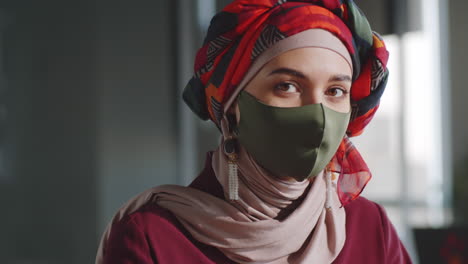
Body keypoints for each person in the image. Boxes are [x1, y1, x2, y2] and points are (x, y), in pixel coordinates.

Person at [96, 0, 412, 263]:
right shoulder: (153, 237)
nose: (318, 115)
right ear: (233, 106)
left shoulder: (371, 229)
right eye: (287, 86)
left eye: (335, 91)